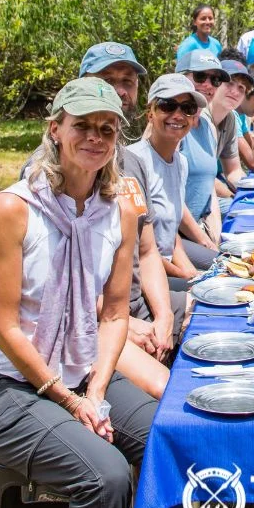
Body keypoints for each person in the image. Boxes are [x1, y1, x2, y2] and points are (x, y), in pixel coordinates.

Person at [0, 77, 158, 508]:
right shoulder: (14, 208)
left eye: (107, 129)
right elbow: (4, 324)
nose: (95, 138)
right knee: (106, 478)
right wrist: (72, 402)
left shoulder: (118, 210)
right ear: (55, 128)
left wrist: (95, 391)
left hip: (82, 373)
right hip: (9, 387)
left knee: (168, 438)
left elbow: (116, 312)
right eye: (82, 126)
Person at [78, 42, 187, 399]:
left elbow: (149, 250)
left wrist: (163, 316)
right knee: (170, 397)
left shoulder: (132, 163)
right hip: (91, 320)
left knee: (223, 311)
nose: (120, 91)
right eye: (108, 80)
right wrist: (127, 323)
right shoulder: (60, 167)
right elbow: (61, 283)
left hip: (137, 302)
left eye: (128, 81)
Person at [127, 74, 216, 278]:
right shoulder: (133, 163)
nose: (178, 115)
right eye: (168, 106)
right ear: (150, 113)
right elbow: (138, 248)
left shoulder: (180, 163)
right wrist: (186, 276)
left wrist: (189, 272)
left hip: (166, 264)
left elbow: (171, 233)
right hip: (143, 273)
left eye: (187, 108)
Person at [175, 50, 229, 244]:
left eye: (215, 80)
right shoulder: (172, 126)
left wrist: (215, 238)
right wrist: (206, 244)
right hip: (175, 236)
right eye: (200, 76)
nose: (208, 85)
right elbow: (169, 200)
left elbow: (209, 189)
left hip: (199, 227)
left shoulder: (207, 126)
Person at [210, 59, 252, 212]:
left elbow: (233, 171)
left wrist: (251, 191)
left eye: (241, 88)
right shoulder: (197, 117)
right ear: (215, 84)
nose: (235, 92)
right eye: (229, 83)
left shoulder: (231, 118)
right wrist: (232, 196)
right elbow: (199, 179)